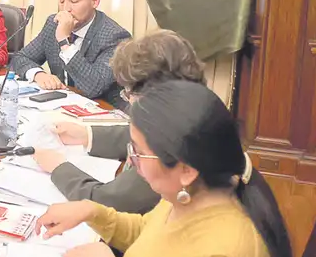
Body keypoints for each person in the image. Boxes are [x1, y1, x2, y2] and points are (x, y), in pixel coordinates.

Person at [38, 80, 293, 257]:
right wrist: (93, 212)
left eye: (138, 152)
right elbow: (146, 233)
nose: (132, 161)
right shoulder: (190, 195)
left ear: (186, 169)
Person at [33, 30, 207, 213]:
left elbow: (108, 201)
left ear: (152, 95)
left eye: (128, 93)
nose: (128, 101)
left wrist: (58, 168)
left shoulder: (169, 142)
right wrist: (87, 135)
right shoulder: (190, 109)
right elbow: (136, 133)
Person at [11, 0, 130, 106]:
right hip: (60, 105)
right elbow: (21, 58)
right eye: (61, 1)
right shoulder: (53, 23)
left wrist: (64, 42)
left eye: (74, 1)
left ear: (94, 1)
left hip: (101, 111)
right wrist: (38, 74)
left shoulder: (114, 36)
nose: (66, 9)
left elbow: (93, 87)